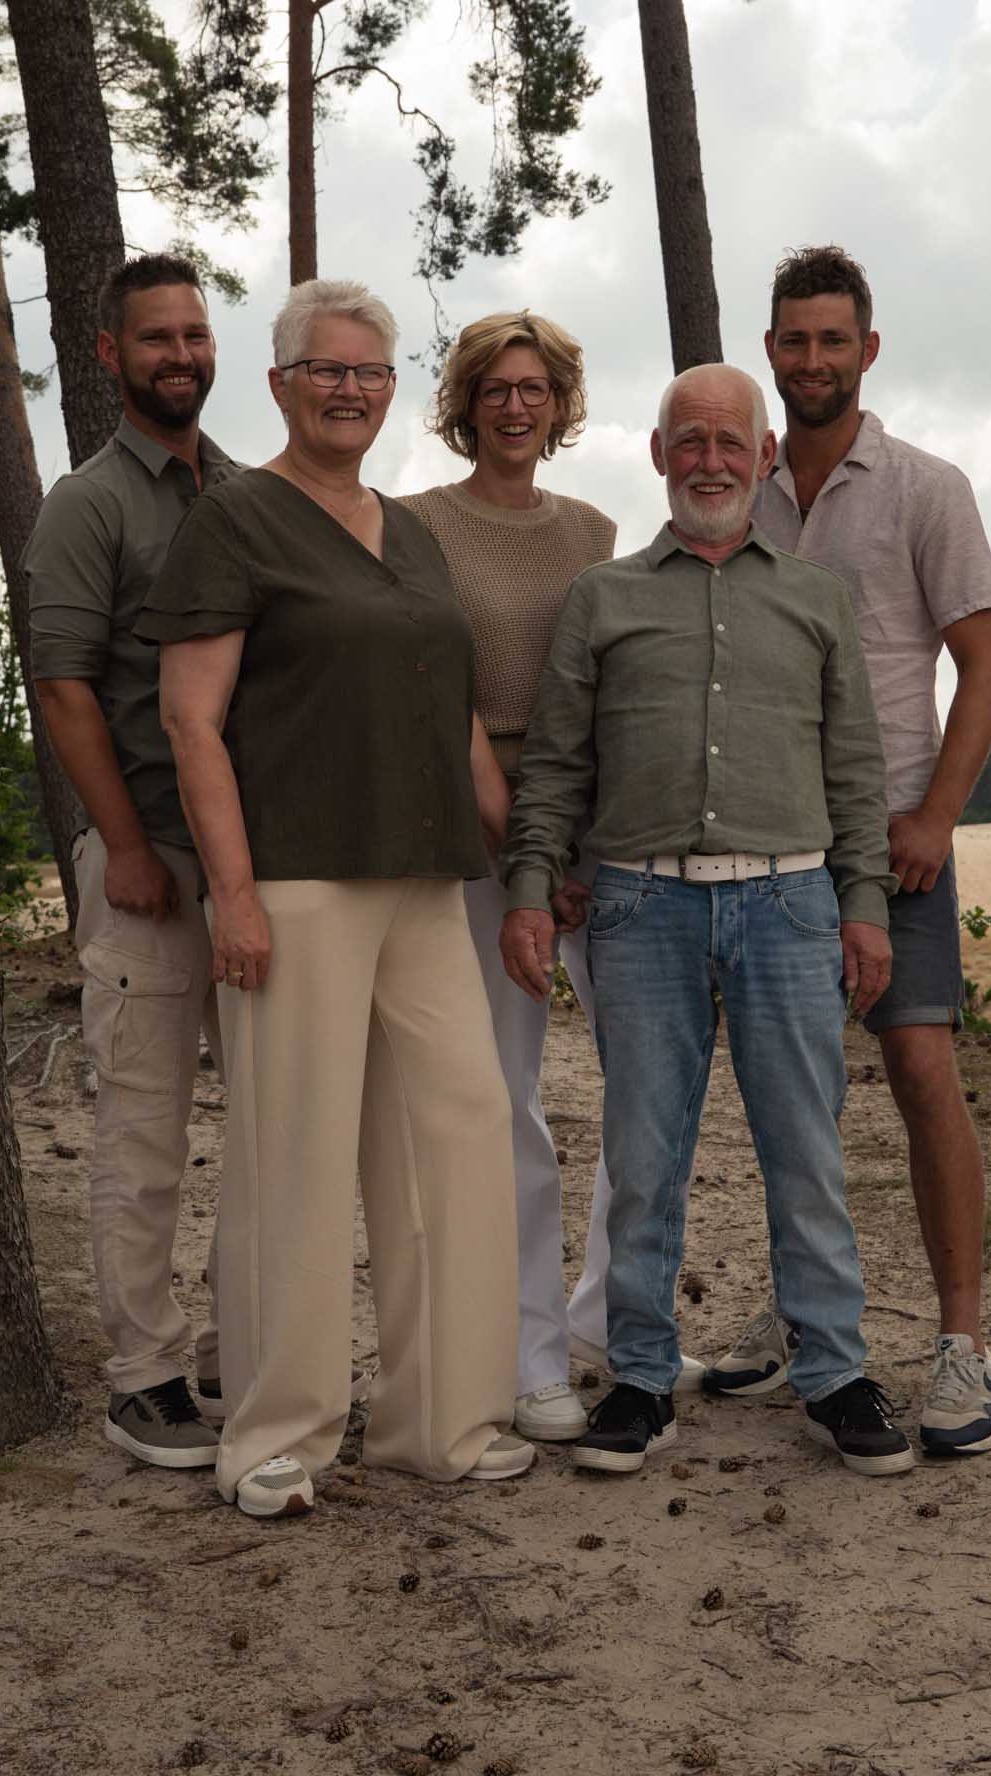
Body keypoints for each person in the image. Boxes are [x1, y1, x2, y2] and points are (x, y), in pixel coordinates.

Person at [134, 277, 533, 1520]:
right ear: (281, 385)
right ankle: (276, 1436)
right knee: (295, 1160)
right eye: (327, 371)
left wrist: (520, 840)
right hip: (296, 879)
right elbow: (190, 719)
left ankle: (442, 1421)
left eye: (369, 372)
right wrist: (233, 895)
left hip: (424, 879)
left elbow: (452, 709)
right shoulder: (236, 519)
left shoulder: (406, 531)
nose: (349, 390)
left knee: (458, 1132)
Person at [500, 364, 915, 1478]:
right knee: (642, 1155)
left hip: (791, 901)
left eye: (732, 441)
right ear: (658, 454)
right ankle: (640, 1376)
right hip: (641, 906)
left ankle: (832, 1371)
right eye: (690, 440)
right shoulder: (603, 597)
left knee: (806, 1150)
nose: (711, 461)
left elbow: (855, 768)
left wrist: (863, 906)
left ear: (764, 456)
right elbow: (555, 764)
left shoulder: (817, 597)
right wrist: (532, 887)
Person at [706, 245, 991, 1458]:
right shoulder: (740, 487)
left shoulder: (927, 487)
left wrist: (935, 816)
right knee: (794, 1090)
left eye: (834, 338)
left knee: (922, 1070)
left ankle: (963, 1340)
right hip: (773, 839)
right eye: (794, 339)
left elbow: (982, 668)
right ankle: (804, 1308)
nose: (813, 358)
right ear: (770, 349)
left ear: (867, 349)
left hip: (894, 838)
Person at [402, 309, 656, 1446]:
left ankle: (611, 1320)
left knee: (643, 1088)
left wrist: (581, 840)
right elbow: (430, 687)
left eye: (535, 388)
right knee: (507, 1099)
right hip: (478, 838)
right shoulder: (416, 526)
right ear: (466, 402)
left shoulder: (595, 530)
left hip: (597, 835)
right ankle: (529, 1354)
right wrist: (519, 845)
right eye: (496, 388)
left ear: (560, 405)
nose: (516, 406)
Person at [25, 253, 231, 1469]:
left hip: (249, 871)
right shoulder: (88, 502)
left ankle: (236, 1347)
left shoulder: (246, 491)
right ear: (110, 354)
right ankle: (144, 1376)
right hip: (146, 860)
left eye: (195, 334)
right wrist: (133, 848)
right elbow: (63, 687)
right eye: (157, 337)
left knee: (268, 1123)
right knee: (146, 1130)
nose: (180, 356)